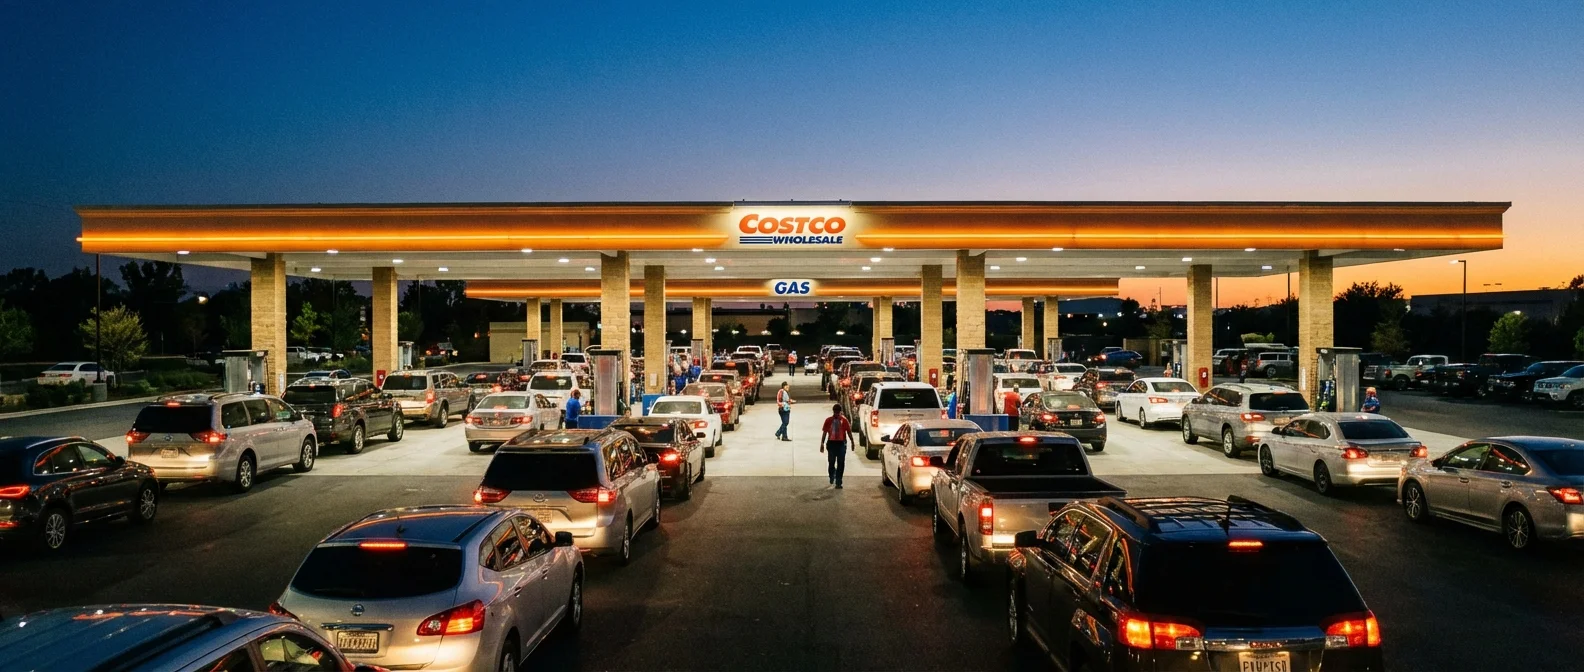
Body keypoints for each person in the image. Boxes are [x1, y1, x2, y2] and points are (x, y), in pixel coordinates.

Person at [819, 403, 853, 488]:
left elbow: (848, 432)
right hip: (831, 443)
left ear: (840, 412)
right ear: (833, 411)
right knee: (831, 462)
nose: (837, 414)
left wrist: (852, 441)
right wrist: (822, 443)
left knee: (841, 463)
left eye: (838, 412)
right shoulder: (829, 420)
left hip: (841, 444)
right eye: (836, 412)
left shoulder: (844, 421)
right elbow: (825, 432)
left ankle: (838, 481)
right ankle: (832, 475)